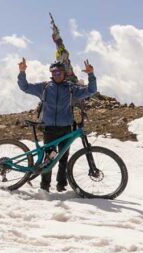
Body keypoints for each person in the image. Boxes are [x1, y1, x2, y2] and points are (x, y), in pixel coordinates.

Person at [17, 58, 97, 192]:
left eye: (59, 72)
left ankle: (61, 185)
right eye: (53, 72)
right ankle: (45, 187)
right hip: (49, 129)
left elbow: (91, 90)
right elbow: (24, 87)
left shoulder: (71, 88)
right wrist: (22, 71)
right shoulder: (44, 87)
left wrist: (91, 74)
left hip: (66, 128)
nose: (56, 75)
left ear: (64, 73)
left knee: (63, 159)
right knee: (48, 159)